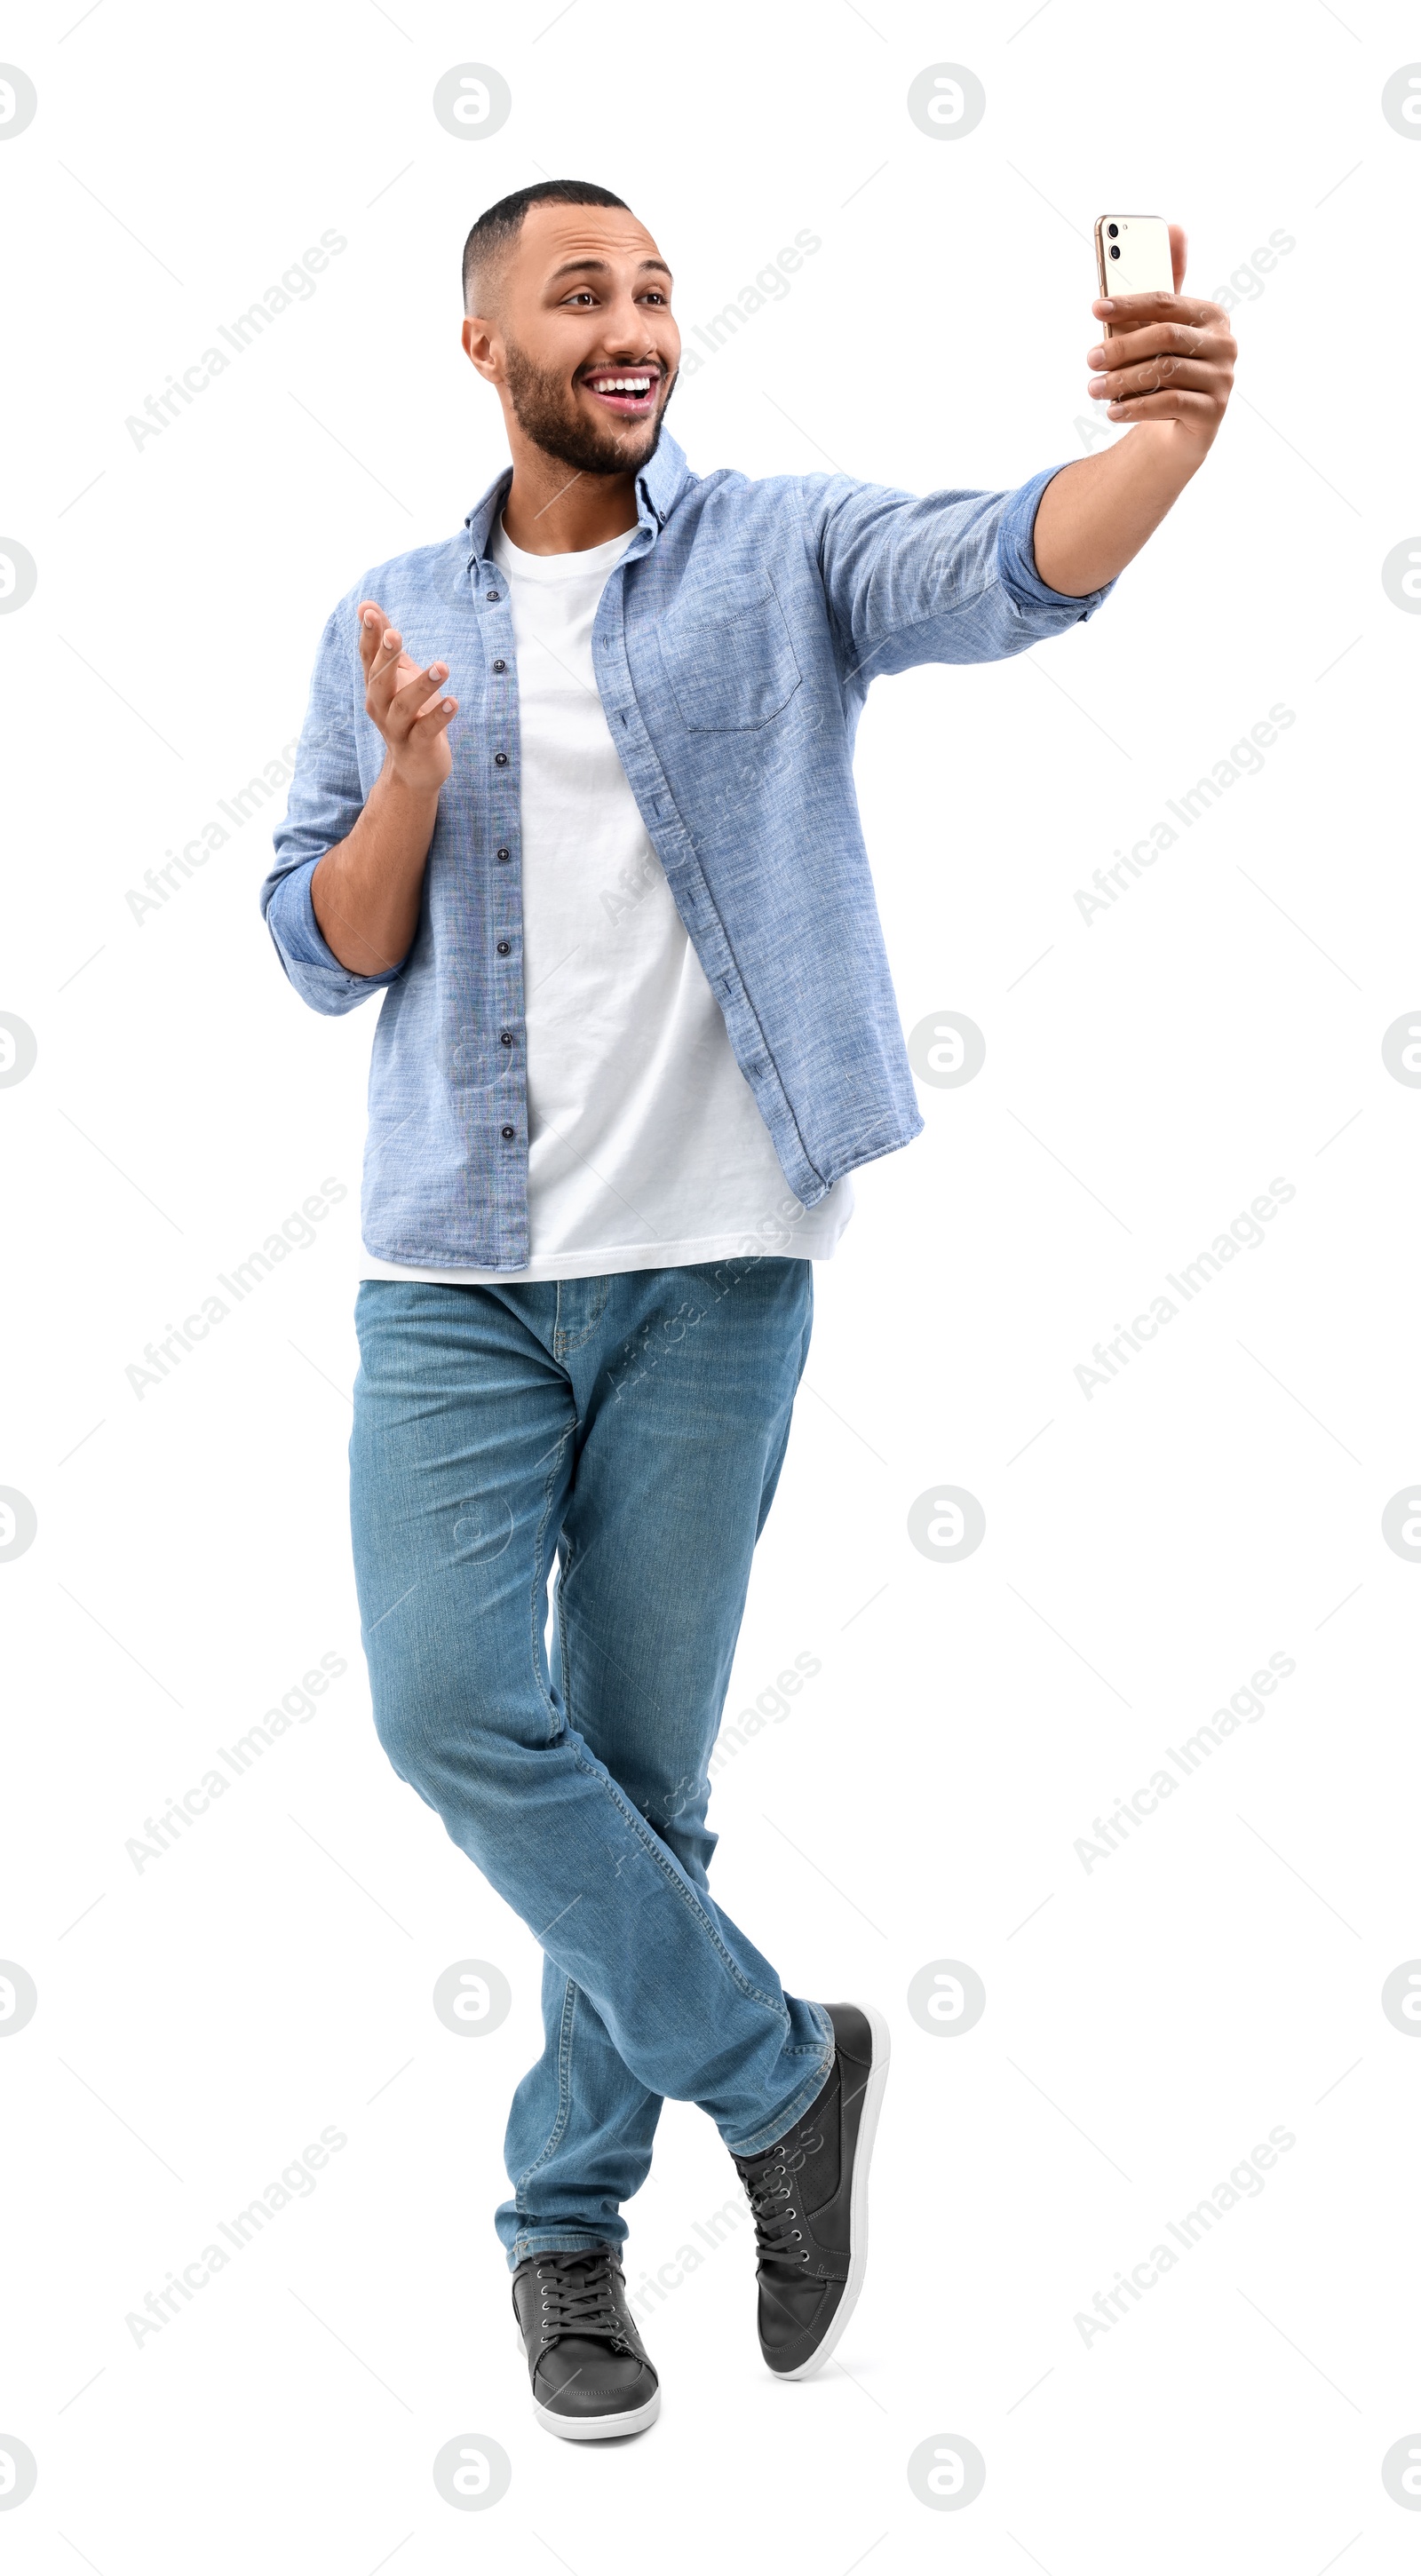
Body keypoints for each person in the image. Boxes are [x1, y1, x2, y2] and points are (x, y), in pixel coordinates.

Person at [260, 178, 1235, 2440]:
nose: (632, 324)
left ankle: (562, 2241)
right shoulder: (387, 615)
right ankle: (782, 2071)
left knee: (635, 1777)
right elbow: (322, 947)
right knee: (445, 1715)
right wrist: (404, 783)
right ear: (485, 347)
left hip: (711, 1270)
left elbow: (998, 563)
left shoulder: (774, 551)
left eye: (654, 288)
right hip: (459, 1287)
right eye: (577, 294)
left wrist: (1158, 456)